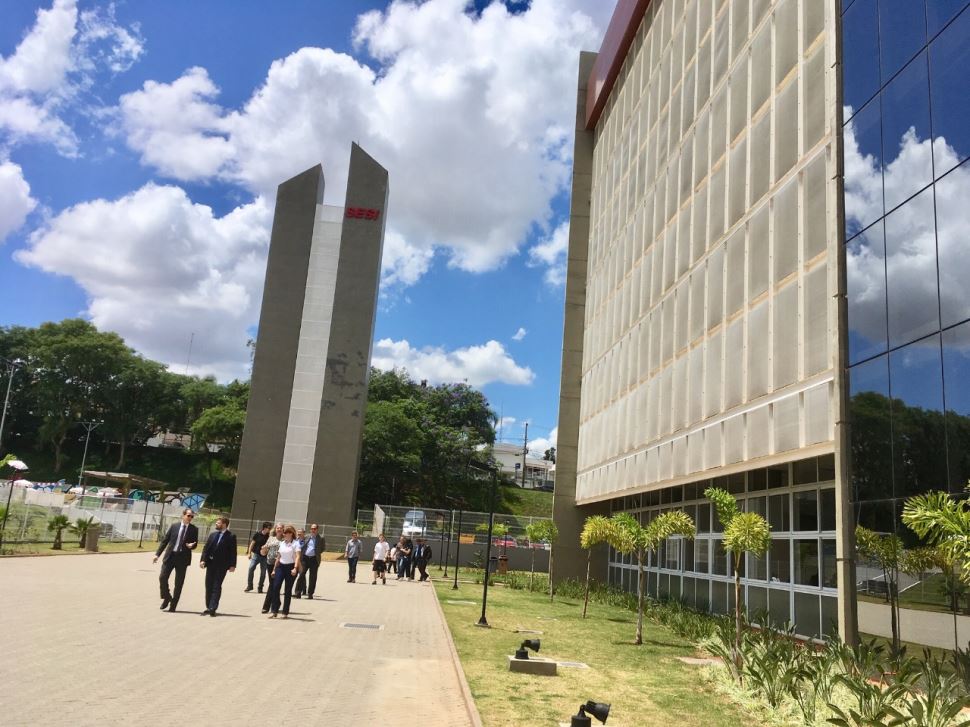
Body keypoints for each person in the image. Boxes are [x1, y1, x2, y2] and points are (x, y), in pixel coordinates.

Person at [153, 508, 198, 612]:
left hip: (183, 559)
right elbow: (165, 541)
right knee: (162, 577)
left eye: (192, 516)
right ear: (183, 515)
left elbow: (195, 543)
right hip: (170, 556)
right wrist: (157, 554)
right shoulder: (174, 526)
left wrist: (192, 545)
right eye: (188, 515)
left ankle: (173, 605)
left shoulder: (194, 529)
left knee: (179, 583)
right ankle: (167, 597)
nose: (190, 518)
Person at [200, 516, 237, 616]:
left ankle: (213, 607)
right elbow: (206, 548)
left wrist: (233, 565)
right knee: (208, 585)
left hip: (222, 566)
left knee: (216, 586)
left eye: (218, 523)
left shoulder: (231, 536)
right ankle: (208, 606)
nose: (216, 524)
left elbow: (233, 552)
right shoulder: (213, 535)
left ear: (224, 524)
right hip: (210, 564)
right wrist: (203, 560)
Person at [267, 525, 301, 618]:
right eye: (284, 532)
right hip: (281, 567)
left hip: (291, 567)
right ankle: (274, 610)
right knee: (275, 587)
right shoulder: (282, 543)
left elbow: (298, 556)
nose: (284, 534)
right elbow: (278, 557)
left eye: (286, 532)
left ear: (291, 534)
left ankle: (285, 612)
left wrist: (295, 568)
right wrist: (274, 569)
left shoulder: (296, 544)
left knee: (287, 590)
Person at [260, 523, 284, 613]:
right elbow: (264, 551)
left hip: (280, 564)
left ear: (283, 530)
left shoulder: (285, 539)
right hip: (270, 563)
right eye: (278, 528)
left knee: (273, 584)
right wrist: (263, 549)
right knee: (273, 584)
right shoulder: (271, 538)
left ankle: (266, 606)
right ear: (275, 529)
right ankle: (277, 602)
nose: (279, 529)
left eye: (281, 528)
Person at [296, 523, 324, 598]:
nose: (313, 530)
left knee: (313, 577)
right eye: (312, 529)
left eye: (314, 529)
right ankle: (298, 592)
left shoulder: (321, 538)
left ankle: (310, 593)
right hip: (305, 559)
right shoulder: (306, 537)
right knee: (301, 575)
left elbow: (322, 548)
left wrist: (316, 553)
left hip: (314, 560)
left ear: (317, 529)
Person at [245, 522, 272, 593]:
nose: (269, 529)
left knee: (263, 572)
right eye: (268, 528)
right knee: (251, 568)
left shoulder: (269, 536)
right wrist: (249, 553)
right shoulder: (257, 534)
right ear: (264, 528)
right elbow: (252, 544)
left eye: (270, 528)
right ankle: (249, 586)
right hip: (256, 555)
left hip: (265, 557)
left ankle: (260, 587)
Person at [292, 528, 306, 598]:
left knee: (301, 575)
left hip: (303, 561)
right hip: (295, 560)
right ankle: (303, 588)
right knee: (293, 576)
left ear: (304, 533)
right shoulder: (294, 541)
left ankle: (298, 592)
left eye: (300, 532)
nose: (299, 534)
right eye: (298, 532)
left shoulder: (306, 541)